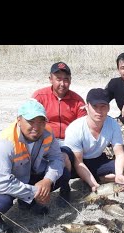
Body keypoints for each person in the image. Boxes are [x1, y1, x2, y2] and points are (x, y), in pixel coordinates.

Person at [0, 99, 70, 233]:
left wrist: (47, 180)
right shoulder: (4, 141)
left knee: (63, 174)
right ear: (19, 120)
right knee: (0, 202)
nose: (36, 127)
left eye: (41, 121)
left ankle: (27, 203)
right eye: (31, 121)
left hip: (24, 174)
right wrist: (35, 192)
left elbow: (57, 159)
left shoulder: (47, 132)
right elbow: (1, 183)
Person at [32, 62, 86, 203]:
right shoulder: (39, 96)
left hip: (68, 141)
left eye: (66, 79)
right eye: (58, 78)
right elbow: (29, 120)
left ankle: (65, 187)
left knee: (62, 156)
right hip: (44, 139)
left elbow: (82, 126)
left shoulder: (78, 100)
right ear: (50, 79)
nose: (62, 83)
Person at [61, 88, 124, 192]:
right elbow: (78, 162)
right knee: (64, 159)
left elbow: (119, 154)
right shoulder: (75, 128)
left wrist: (119, 174)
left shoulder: (113, 124)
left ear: (108, 108)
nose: (99, 111)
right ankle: (70, 186)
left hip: (96, 160)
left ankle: (92, 177)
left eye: (103, 106)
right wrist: (93, 184)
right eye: (95, 106)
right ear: (87, 107)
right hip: (76, 162)